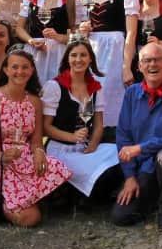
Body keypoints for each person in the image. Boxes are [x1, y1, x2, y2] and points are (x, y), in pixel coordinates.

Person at [0, 50, 71, 226]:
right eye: (14, 67)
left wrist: (39, 152)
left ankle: (24, 199)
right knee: (30, 218)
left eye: (25, 67)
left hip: (23, 158)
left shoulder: (35, 102)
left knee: (56, 166)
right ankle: (8, 203)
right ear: (6, 70)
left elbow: (36, 140)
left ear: (31, 71)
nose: (20, 72)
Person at [110, 43, 162, 231]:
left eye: (157, 60)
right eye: (147, 60)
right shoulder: (131, 94)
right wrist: (130, 177)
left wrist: (141, 147)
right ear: (139, 66)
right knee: (120, 216)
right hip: (144, 168)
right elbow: (123, 136)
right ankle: (154, 200)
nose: (152, 64)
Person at [42, 39, 122, 202]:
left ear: (90, 59)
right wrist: (72, 137)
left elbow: (98, 125)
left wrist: (93, 145)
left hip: (83, 147)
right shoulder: (55, 86)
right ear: (67, 59)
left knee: (118, 152)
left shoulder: (95, 88)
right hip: (60, 149)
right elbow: (45, 127)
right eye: (74, 55)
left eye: (83, 55)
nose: (78, 59)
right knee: (98, 170)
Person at [79, 0, 139, 127]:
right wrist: (83, 29)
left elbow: (131, 33)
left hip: (116, 52)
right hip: (93, 51)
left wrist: (126, 67)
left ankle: (113, 133)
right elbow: (81, 28)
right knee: (91, 94)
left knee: (113, 96)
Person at [16, 0, 75, 84]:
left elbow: (77, 35)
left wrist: (59, 37)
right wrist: (31, 40)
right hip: (34, 52)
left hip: (59, 54)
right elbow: (19, 28)